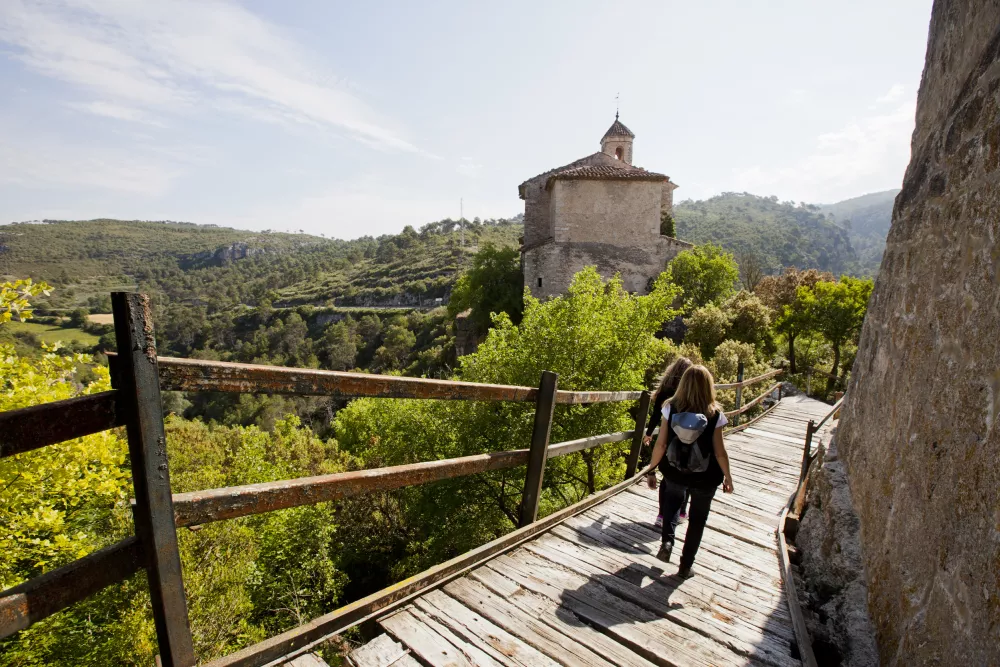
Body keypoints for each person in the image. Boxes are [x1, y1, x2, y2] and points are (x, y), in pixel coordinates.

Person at [647, 365, 734, 579]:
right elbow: (720, 451)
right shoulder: (715, 415)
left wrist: (651, 470)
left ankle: (667, 542)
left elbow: (661, 444)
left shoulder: (670, 408)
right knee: (697, 519)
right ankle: (685, 566)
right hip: (706, 477)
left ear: (683, 384)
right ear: (708, 387)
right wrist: (728, 477)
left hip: (675, 471)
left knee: (671, 505)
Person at [641, 356, 693, 527]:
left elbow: (656, 414)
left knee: (667, 477)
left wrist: (649, 434)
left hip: (668, 437)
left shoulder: (664, 392)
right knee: (685, 476)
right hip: (688, 437)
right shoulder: (690, 392)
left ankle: (662, 515)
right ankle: (682, 512)